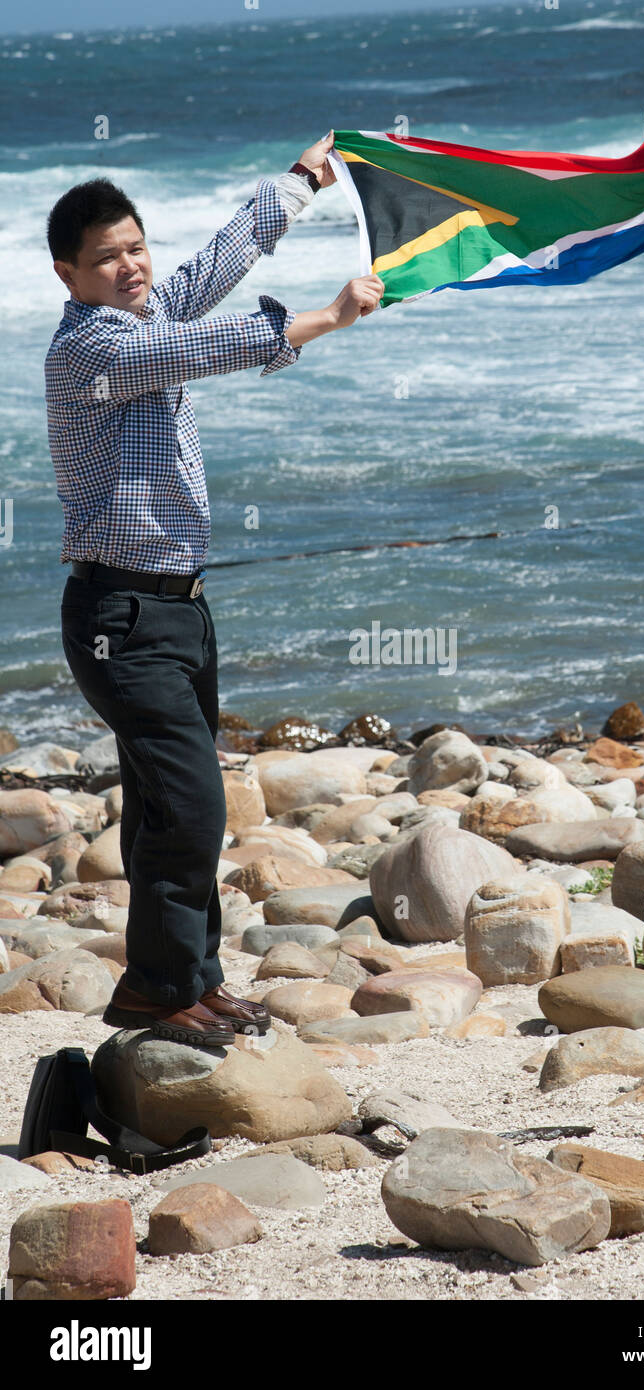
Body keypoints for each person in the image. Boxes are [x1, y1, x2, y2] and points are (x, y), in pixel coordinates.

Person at [46, 131, 384, 1048]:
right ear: (68, 274)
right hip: (119, 615)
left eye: (133, 247)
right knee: (192, 805)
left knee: (170, 806)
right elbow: (198, 350)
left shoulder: (147, 310)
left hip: (180, 609)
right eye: (104, 257)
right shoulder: (90, 350)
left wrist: (302, 180)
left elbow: (218, 264)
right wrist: (322, 318)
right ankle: (156, 992)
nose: (128, 265)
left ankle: (193, 978)